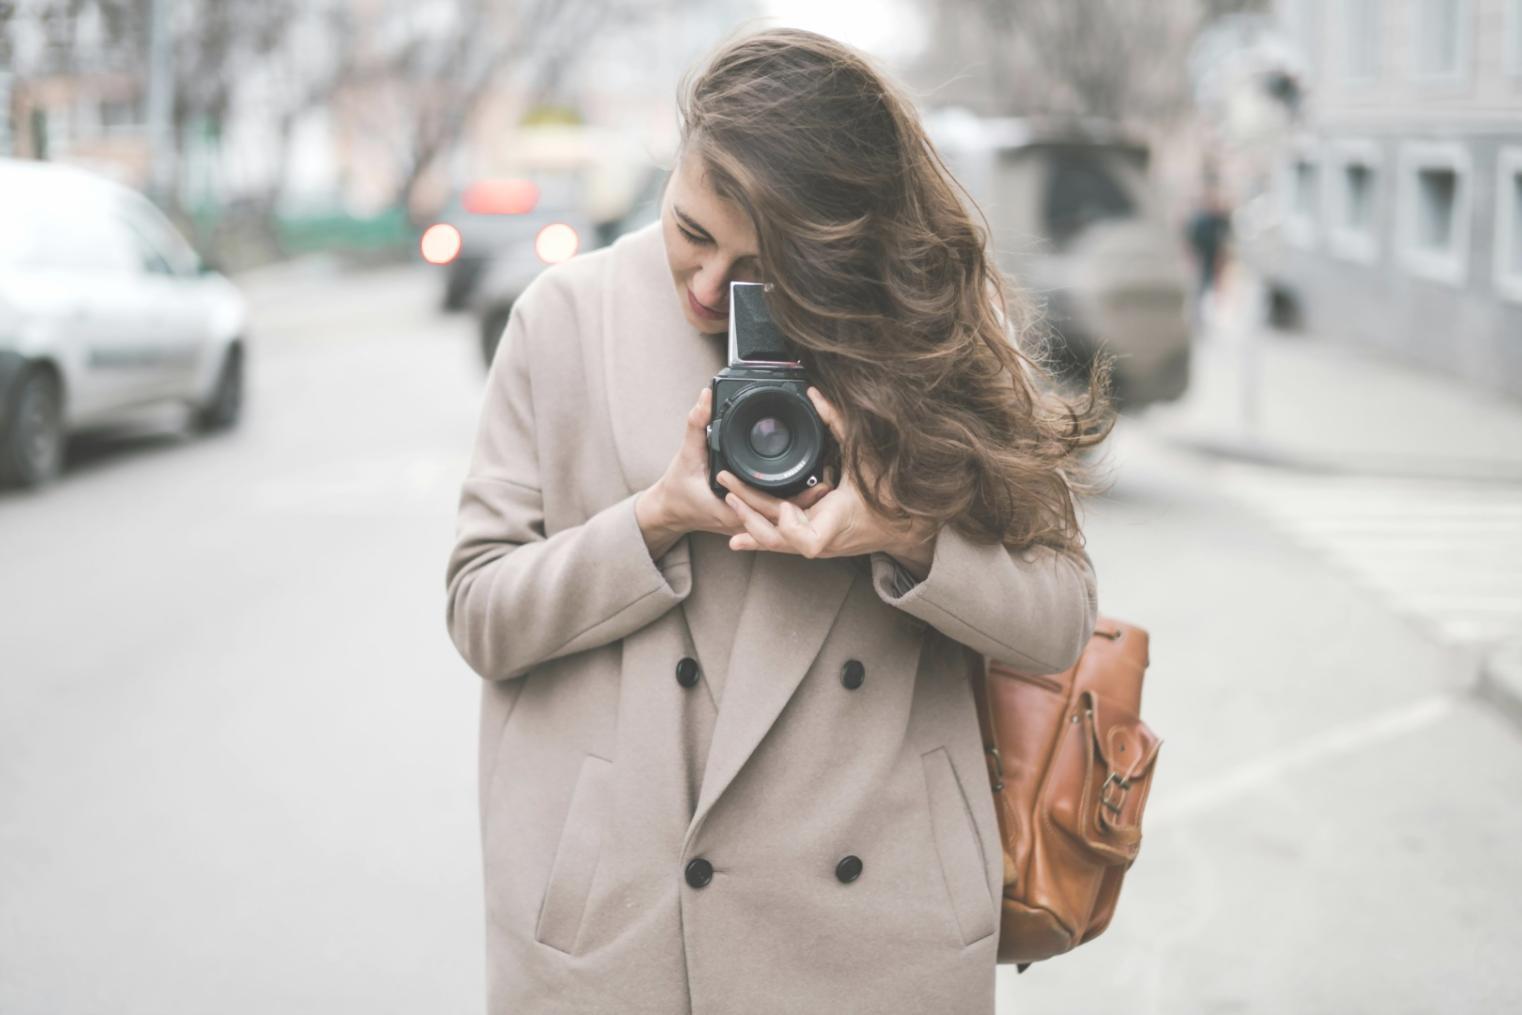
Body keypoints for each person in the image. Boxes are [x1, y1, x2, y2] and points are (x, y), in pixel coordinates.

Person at [444, 27, 1116, 1015]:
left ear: (844, 246)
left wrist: (904, 536)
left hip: (879, 925)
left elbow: (1059, 619)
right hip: (625, 924)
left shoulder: (932, 328)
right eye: (689, 231)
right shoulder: (565, 319)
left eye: (766, 266)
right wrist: (656, 518)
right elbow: (479, 610)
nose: (711, 287)